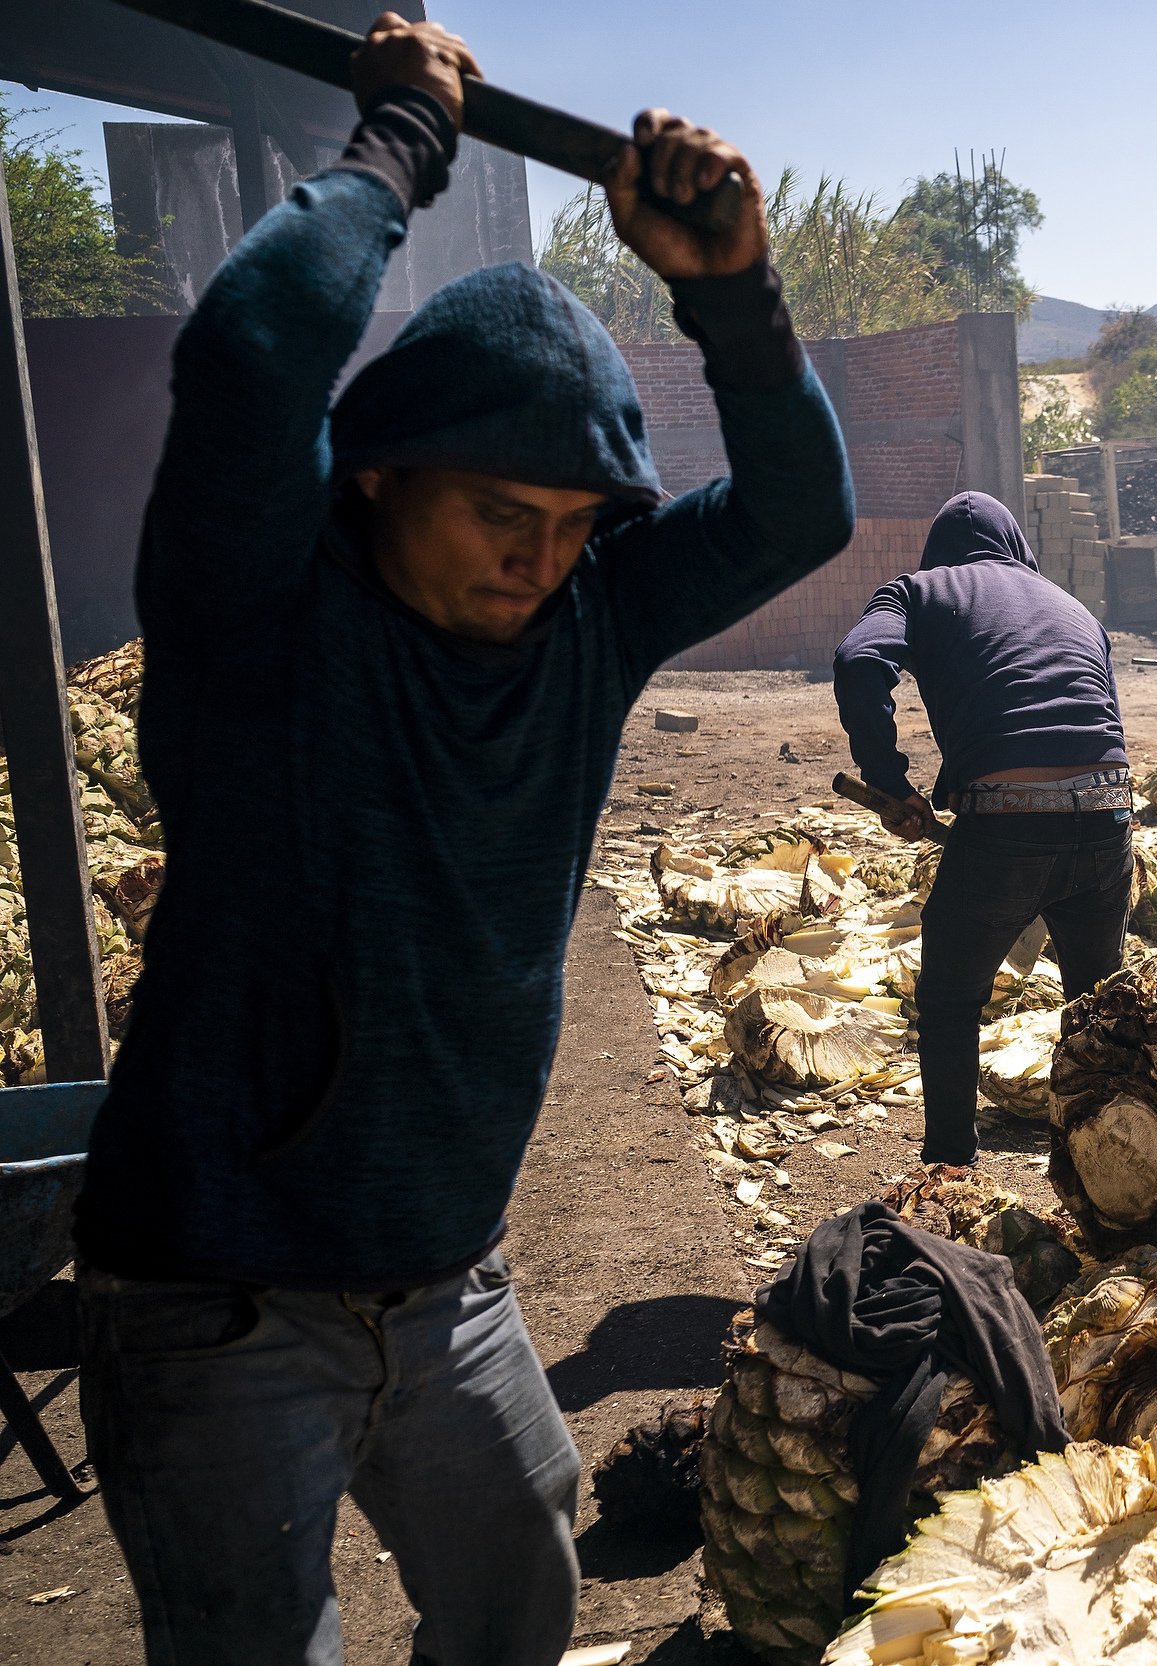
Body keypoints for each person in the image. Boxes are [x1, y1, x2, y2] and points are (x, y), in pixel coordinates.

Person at [71, 17, 853, 1663]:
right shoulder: (259, 616)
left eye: (575, 526)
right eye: (504, 512)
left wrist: (730, 291)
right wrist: (401, 143)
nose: (539, 560)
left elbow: (801, 512)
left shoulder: (588, 625)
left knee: (515, 1600)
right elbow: (249, 352)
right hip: (221, 1300)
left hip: (449, 1285)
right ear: (377, 478)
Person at [834, 492, 1131, 1170]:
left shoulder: (917, 592)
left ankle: (949, 1174)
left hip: (1006, 821)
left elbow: (858, 662)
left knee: (949, 998)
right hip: (1110, 815)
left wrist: (888, 783)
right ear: (1017, 547)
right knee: (1097, 1009)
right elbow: (1085, 720)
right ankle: (1109, 1171)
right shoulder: (1074, 607)